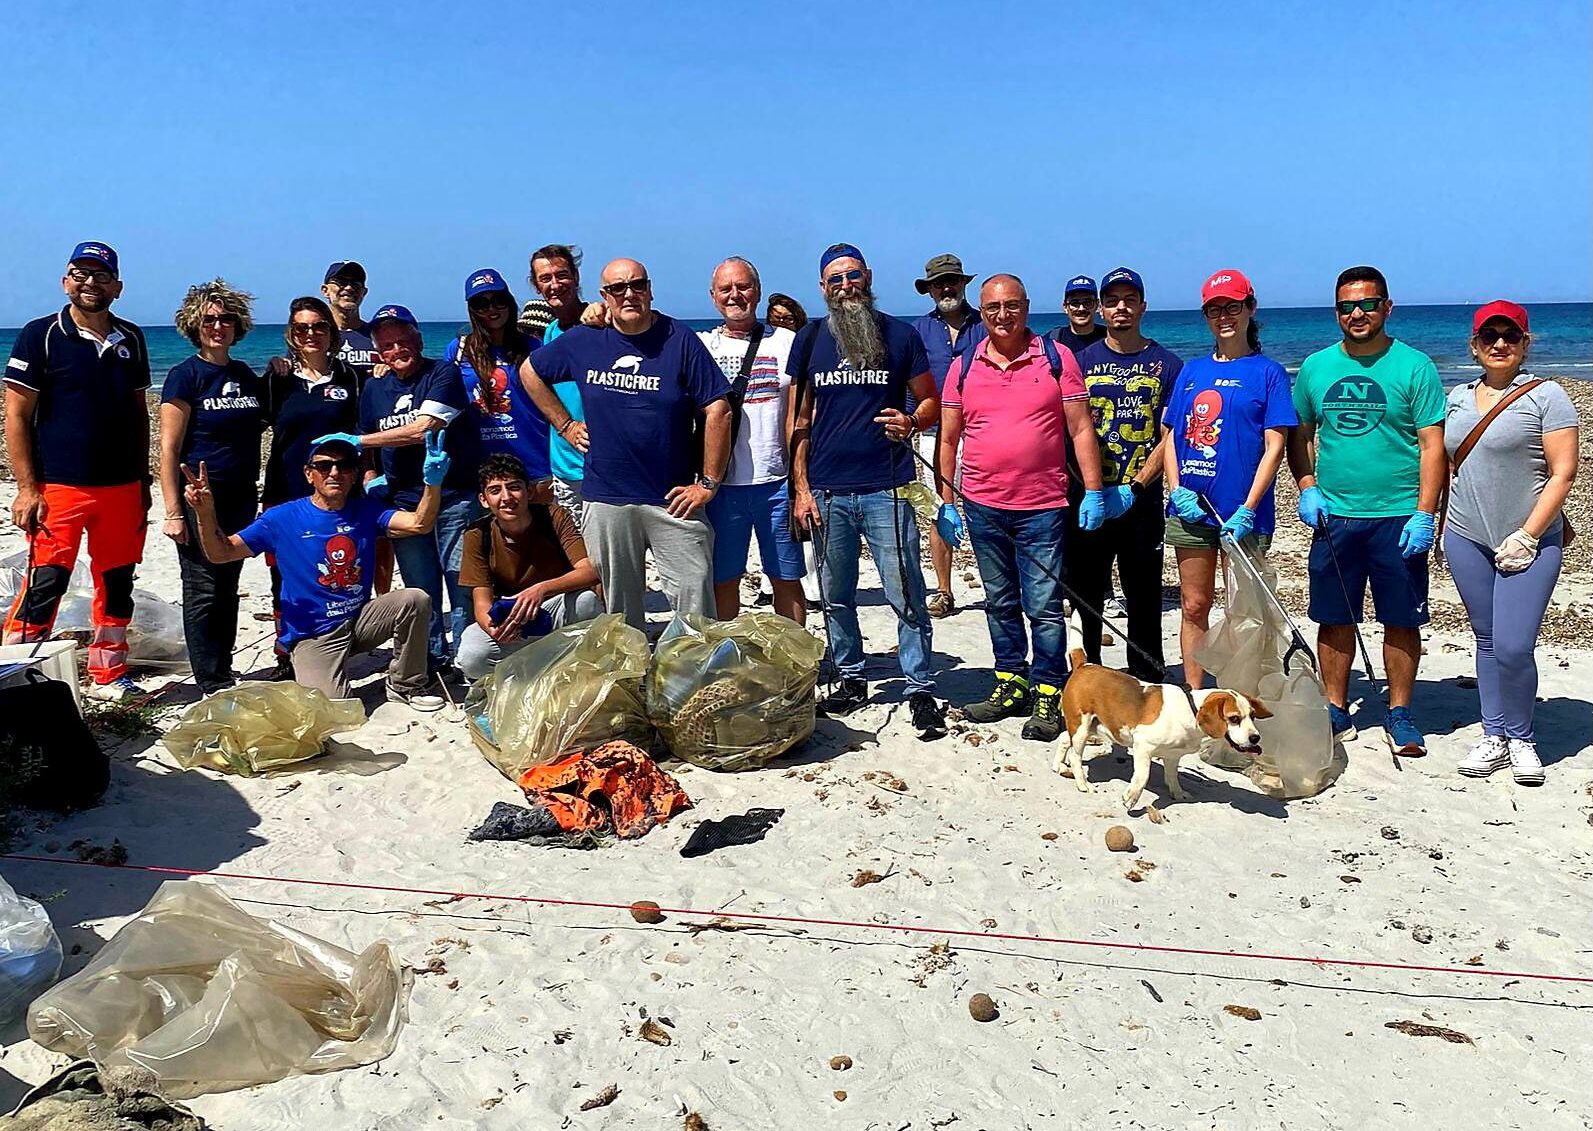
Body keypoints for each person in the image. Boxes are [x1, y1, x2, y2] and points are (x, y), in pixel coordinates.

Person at [518, 258, 731, 631]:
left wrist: (709, 483)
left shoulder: (678, 338)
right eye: (618, 288)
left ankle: (690, 681)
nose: (628, 294)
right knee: (619, 612)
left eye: (637, 285)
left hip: (672, 499)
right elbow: (529, 372)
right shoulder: (586, 338)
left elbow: (718, 409)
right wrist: (566, 424)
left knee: (695, 607)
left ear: (649, 289)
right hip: (606, 500)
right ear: (605, 296)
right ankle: (630, 681)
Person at [789, 243, 947, 739]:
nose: (845, 286)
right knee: (835, 596)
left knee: (906, 591)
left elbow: (930, 402)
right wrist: (801, 488)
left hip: (889, 486)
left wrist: (911, 420)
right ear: (822, 288)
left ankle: (920, 685)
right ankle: (852, 677)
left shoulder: (899, 335)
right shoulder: (810, 339)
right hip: (829, 491)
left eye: (852, 276)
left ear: (868, 277)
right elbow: (799, 421)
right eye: (834, 280)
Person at [939, 274, 1107, 741]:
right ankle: (1010, 681)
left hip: (1043, 506)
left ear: (1027, 306)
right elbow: (949, 437)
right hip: (982, 505)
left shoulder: (1056, 358)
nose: (1002, 316)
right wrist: (947, 500)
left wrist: (1093, 490)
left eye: (1011, 306)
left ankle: (1049, 690)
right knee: (1000, 601)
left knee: (1045, 607)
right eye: (992, 308)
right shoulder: (964, 365)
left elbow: (1080, 429)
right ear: (982, 310)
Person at [1289, 266, 1445, 753]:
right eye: (1346, 306)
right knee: (1334, 618)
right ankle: (1335, 708)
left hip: (1398, 515)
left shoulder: (1414, 366)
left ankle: (1399, 711)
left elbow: (1432, 446)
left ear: (1386, 307)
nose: (1357, 313)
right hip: (1336, 517)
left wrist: (1425, 512)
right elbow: (1300, 435)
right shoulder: (1316, 367)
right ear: (1336, 312)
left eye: (1367, 304)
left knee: (1401, 619)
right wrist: (1308, 484)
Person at [184, 435, 449, 710]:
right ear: (309, 474)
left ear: (355, 475)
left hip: (359, 621)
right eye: (324, 466)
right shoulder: (281, 518)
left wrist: (433, 482)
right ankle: (317, 668)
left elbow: (419, 524)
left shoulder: (366, 510)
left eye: (344, 466)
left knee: (415, 599)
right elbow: (221, 552)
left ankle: (406, 685)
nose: (335, 473)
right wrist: (205, 513)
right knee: (336, 708)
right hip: (315, 634)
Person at [3, 242, 152, 700]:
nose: (90, 283)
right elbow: (16, 415)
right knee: (46, 582)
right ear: (66, 281)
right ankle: (15, 674)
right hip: (60, 487)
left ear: (118, 287)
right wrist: (28, 489)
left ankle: (108, 674)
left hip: (123, 487)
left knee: (117, 582)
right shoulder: (41, 335)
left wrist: (144, 483)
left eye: (101, 276)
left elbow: (138, 412)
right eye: (80, 273)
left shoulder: (132, 338)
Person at [1446, 301, 1579, 785]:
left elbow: (1564, 472)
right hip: (1465, 535)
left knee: (1514, 645)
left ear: (1525, 343)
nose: (1499, 344)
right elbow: (1444, 464)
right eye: (1489, 336)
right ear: (1475, 345)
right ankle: (1493, 733)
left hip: (1531, 539)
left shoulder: (1549, 397)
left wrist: (1528, 533)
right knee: (1485, 639)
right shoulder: (1456, 397)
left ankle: (1521, 738)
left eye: (1511, 336)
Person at [1162, 270, 1296, 689]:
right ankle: (1197, 695)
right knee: (1194, 604)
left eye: (1232, 307)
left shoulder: (1269, 373)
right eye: (1215, 309)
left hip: (1241, 514)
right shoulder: (1191, 371)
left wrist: (1248, 508)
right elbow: (1171, 437)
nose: (1224, 316)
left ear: (1249, 310)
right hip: (1191, 509)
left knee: (1244, 611)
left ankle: (1241, 695)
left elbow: (1275, 446)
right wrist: (1176, 488)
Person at [355, 304, 482, 673]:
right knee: (420, 591)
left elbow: (424, 427)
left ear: (418, 338)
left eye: (402, 340)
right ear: (379, 352)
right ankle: (430, 660)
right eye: (388, 345)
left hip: (455, 497)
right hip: (405, 504)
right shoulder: (374, 387)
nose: (396, 351)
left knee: (462, 586)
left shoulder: (443, 372)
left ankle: (465, 662)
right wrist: (367, 477)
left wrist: (358, 441)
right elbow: (371, 444)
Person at [1069, 268, 1181, 681]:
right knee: (1086, 597)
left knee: (1144, 599)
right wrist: (1090, 489)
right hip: (1090, 500)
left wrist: (1136, 487)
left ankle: (1148, 680)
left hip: (1142, 502)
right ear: (1101, 308)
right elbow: (1067, 428)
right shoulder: (1081, 362)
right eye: (1112, 300)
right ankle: (1089, 678)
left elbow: (1169, 436)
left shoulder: (1166, 364)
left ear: (1142, 306)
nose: (1121, 308)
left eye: (1129, 299)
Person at [158, 279, 268, 696]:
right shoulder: (185, 375)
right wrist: (171, 511)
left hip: (241, 493)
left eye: (226, 319)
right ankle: (211, 678)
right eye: (209, 319)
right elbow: (168, 448)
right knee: (203, 586)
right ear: (194, 325)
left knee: (228, 581)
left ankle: (224, 669)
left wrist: (277, 369)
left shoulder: (242, 374)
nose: (218, 326)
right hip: (198, 497)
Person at [697, 257, 806, 623]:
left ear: (757, 292)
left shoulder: (788, 342)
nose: (735, 295)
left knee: (786, 578)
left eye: (742, 287)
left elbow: (803, 415)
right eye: (725, 289)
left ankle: (794, 664)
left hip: (776, 483)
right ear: (713, 297)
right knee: (724, 580)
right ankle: (727, 663)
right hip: (722, 486)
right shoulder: (701, 345)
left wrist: (801, 482)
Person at [456, 454, 602, 679]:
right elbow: (481, 602)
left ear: (530, 491)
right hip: (513, 617)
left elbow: (589, 571)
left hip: (554, 607)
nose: (506, 497)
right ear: (484, 500)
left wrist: (541, 590)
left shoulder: (554, 517)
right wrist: (495, 629)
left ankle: (571, 671)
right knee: (472, 654)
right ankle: (534, 672)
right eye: (495, 491)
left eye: (514, 487)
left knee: (586, 601)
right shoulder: (478, 534)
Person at [911, 254, 985, 619]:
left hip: (985, 433)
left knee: (992, 509)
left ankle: (1001, 585)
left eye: (952, 280)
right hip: (935, 434)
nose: (946, 287)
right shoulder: (917, 331)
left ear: (963, 283)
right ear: (929, 290)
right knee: (942, 510)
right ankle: (943, 590)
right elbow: (907, 383)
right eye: (939, 282)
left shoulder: (986, 325)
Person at [445, 268, 551, 482]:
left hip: (535, 464)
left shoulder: (534, 347)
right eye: (481, 304)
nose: (491, 309)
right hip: (482, 468)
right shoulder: (458, 350)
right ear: (472, 310)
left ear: (509, 301)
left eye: (498, 300)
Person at [527, 244, 591, 519]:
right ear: (536, 286)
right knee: (580, 556)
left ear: (575, 276)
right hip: (565, 467)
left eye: (562, 275)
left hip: (603, 467)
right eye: (545, 278)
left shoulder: (601, 322)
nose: (555, 284)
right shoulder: (551, 331)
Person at [321, 261, 377, 382]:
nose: (349, 288)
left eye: (355, 284)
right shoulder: (314, 336)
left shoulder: (378, 335)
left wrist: (390, 369)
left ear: (364, 292)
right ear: (325, 290)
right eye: (340, 282)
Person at [1052, 275, 1107, 355]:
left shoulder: (1111, 338)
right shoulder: (1053, 341)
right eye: (1075, 303)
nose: (1081, 308)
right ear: (1065, 307)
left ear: (1097, 305)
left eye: (1087, 302)